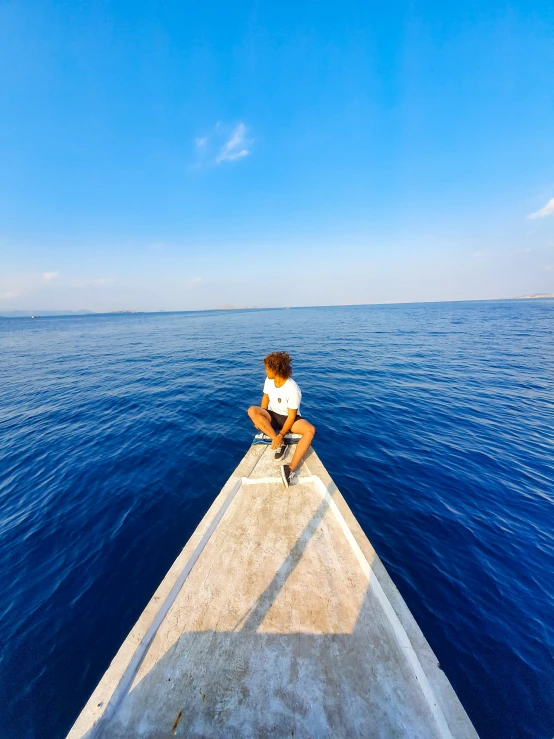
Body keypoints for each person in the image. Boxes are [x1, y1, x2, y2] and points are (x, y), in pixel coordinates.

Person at [247, 351, 316, 487]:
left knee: (310, 430)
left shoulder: (292, 389)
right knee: (252, 411)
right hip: (272, 414)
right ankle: (279, 442)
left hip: (289, 419)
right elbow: (265, 398)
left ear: (275, 370)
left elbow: (291, 416)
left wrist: (281, 434)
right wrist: (261, 418)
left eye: (267, 368)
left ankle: (290, 469)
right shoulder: (269, 380)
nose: (265, 371)